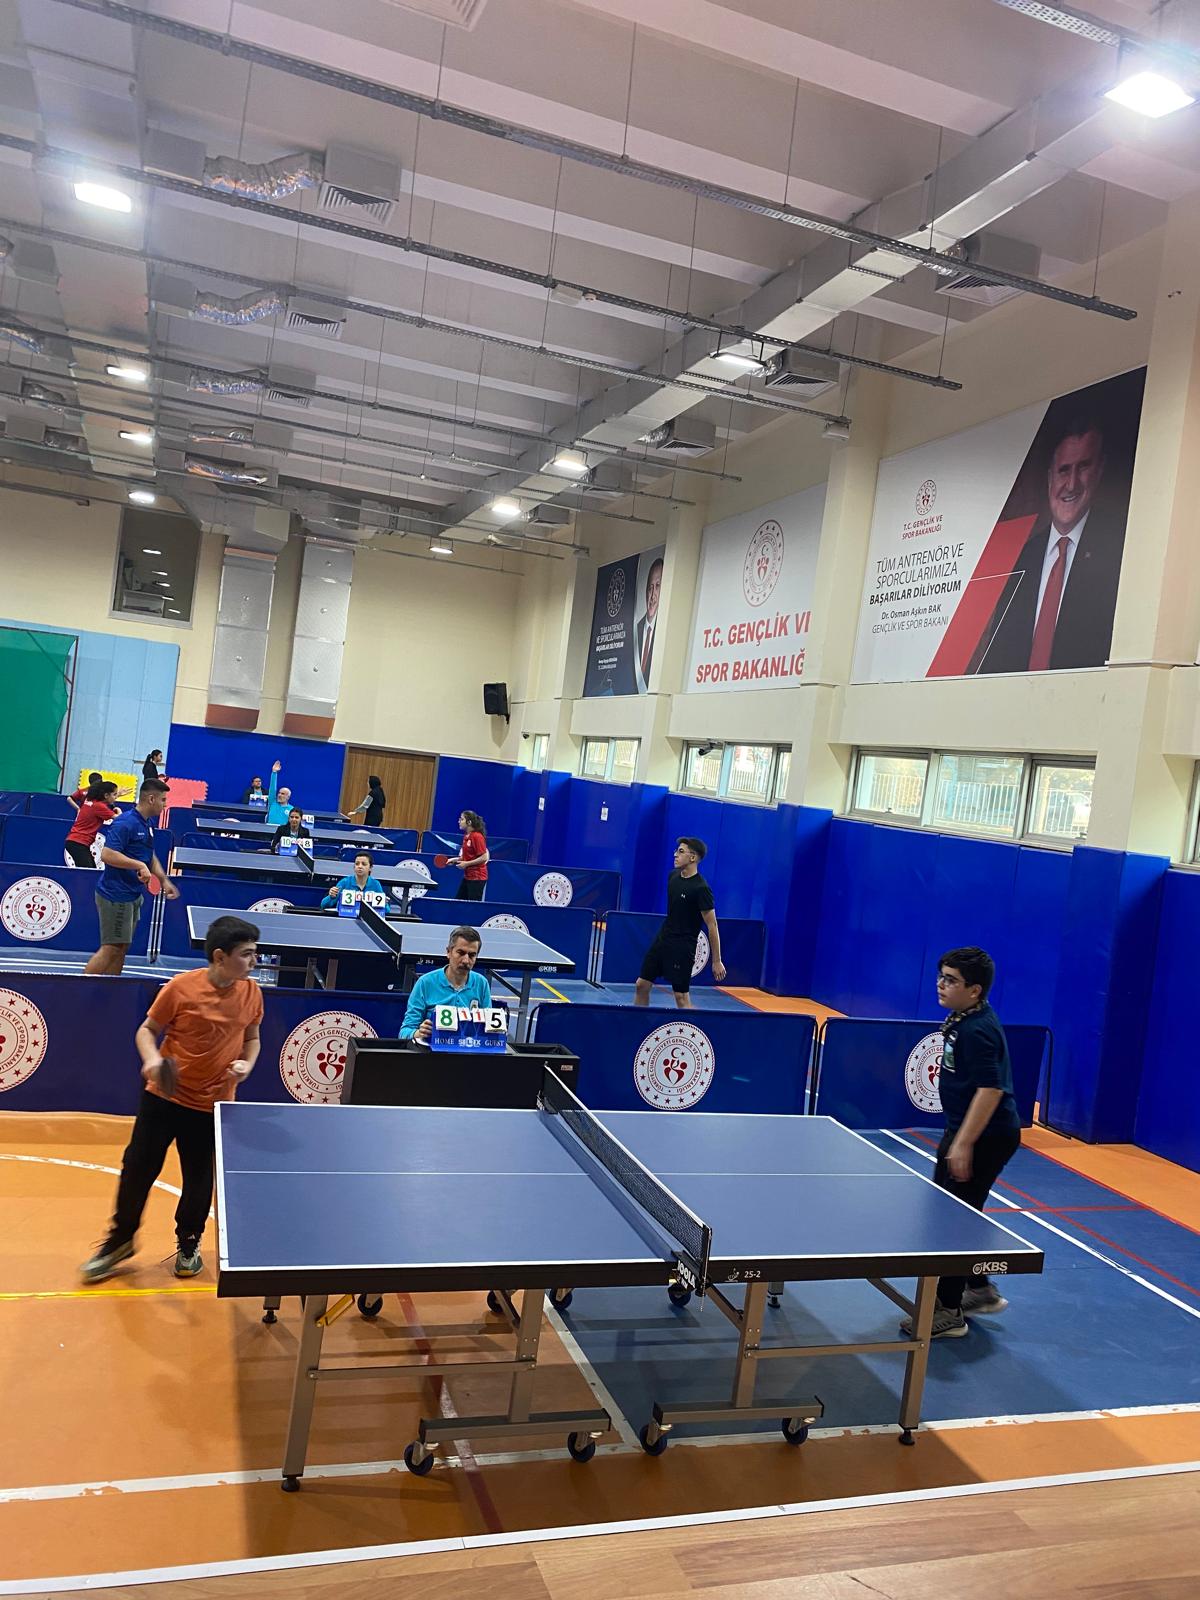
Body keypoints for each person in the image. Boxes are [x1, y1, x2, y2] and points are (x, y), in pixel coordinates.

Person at [78, 915, 262, 1284]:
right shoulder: (181, 988)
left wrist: (246, 1065)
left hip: (211, 1103)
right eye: (246, 954)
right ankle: (120, 1241)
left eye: (254, 953)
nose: (254, 961)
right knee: (137, 1169)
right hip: (164, 1096)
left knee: (199, 1179)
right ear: (220, 957)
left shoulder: (251, 992)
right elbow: (147, 1030)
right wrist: (151, 1060)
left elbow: (252, 1038)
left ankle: (189, 1243)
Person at [903, 946, 1022, 1340]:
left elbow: (991, 1089)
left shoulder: (977, 1030)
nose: (941, 984)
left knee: (952, 1223)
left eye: (951, 980)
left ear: (974, 990)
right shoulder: (965, 1018)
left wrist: (964, 1143)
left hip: (985, 1137)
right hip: (966, 1130)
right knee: (956, 1213)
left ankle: (950, 1311)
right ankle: (980, 1288)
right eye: (941, 976)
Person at [971, 417, 1123, 674]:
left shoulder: (1119, 548)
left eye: (1083, 467)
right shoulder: (1024, 555)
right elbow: (1000, 655)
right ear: (1050, 476)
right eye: (1064, 470)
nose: (1072, 484)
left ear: (1099, 471)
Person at [86, 778, 179, 975]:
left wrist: (163, 879)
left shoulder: (146, 823)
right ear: (151, 799)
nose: (165, 804)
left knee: (121, 948)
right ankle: (80, 988)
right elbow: (107, 854)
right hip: (115, 895)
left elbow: (148, 855)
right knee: (111, 948)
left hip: (132, 895)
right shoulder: (125, 823)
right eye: (163, 800)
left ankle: (111, 988)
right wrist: (138, 865)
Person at [635, 837, 726, 1009]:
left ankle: (692, 1025)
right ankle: (639, 1022)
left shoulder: (701, 889)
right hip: (663, 940)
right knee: (641, 985)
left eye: (681, 851)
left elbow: (712, 925)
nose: (675, 854)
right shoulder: (673, 876)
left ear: (693, 858)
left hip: (683, 947)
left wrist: (716, 961)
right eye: (676, 850)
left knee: (681, 997)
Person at [399, 927, 492, 1042]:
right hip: (432, 1051)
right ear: (448, 952)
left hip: (468, 1050)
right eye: (461, 953)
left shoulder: (482, 984)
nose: (466, 960)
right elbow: (404, 1032)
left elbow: (488, 1029)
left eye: (472, 955)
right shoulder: (424, 983)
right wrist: (418, 1033)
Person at [64, 780, 121, 869]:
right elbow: (120, 819)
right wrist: (119, 811)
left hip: (75, 842)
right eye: (114, 795)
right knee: (88, 873)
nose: (116, 798)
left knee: (92, 872)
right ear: (106, 795)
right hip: (78, 843)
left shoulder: (89, 801)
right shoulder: (99, 806)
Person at [634, 555, 664, 693]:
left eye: (657, 586)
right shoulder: (634, 631)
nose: (652, 596)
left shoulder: (665, 631)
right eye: (650, 588)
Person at [447, 810, 489, 901]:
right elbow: (467, 857)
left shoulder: (477, 836)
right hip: (468, 876)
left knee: (472, 907)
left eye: (462, 819)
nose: (459, 821)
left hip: (477, 878)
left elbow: (484, 857)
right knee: (458, 903)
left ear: (469, 822)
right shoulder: (467, 836)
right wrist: (454, 860)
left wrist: (466, 864)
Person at [321, 850, 386, 908]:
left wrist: (384, 902)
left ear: (370, 868)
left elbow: (386, 910)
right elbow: (323, 905)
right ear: (354, 867)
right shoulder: (344, 882)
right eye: (357, 864)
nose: (360, 866)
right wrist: (331, 897)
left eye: (364, 864)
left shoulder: (376, 884)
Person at [264, 760, 296, 825]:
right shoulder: (272, 802)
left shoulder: (292, 809)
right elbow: (272, 788)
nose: (279, 795)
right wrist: (274, 772)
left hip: (283, 831)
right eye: (279, 793)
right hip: (269, 829)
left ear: (288, 797)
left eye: (283, 794)